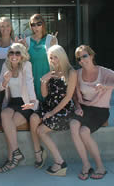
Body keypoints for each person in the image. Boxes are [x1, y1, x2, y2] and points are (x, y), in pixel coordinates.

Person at [29, 45, 76, 176]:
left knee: (41, 130)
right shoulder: (52, 71)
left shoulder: (71, 72)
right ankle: (38, 152)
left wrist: (52, 113)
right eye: (51, 58)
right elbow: (44, 95)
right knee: (33, 119)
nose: (54, 60)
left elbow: (68, 97)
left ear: (62, 56)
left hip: (63, 109)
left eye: (56, 57)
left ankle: (60, 162)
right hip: (48, 105)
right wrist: (43, 82)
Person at [70, 45, 114, 180]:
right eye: (79, 58)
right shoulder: (77, 74)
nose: (82, 60)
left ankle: (100, 167)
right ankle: (86, 165)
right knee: (73, 125)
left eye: (85, 56)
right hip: (84, 108)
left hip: (100, 109)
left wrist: (105, 87)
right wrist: (77, 106)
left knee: (84, 131)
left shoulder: (104, 72)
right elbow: (75, 96)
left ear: (92, 56)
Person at [0, 43, 38, 173]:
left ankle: (11, 159)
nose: (14, 56)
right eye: (11, 53)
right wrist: (5, 81)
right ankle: (16, 153)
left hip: (25, 102)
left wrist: (32, 103)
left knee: (10, 125)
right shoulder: (5, 66)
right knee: (4, 115)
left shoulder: (26, 65)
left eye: (17, 53)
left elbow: (30, 83)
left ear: (22, 55)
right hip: (13, 102)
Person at [24, 14, 58, 100]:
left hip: (47, 76)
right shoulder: (27, 40)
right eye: (33, 24)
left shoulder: (51, 39)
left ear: (43, 24)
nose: (36, 27)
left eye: (39, 24)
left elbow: (57, 61)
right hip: (32, 77)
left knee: (47, 101)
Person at [0, 17, 15, 115]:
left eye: (7, 26)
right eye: (2, 26)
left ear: (11, 27)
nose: (5, 28)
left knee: (8, 103)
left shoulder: (15, 42)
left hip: (11, 78)